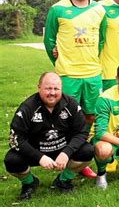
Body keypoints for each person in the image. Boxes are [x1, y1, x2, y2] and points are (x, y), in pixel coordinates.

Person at [43, 0, 106, 179]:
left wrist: (91, 59)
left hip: (92, 74)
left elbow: (102, 39)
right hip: (68, 75)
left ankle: (82, 159)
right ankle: (64, 159)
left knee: (90, 116)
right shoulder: (58, 9)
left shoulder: (98, 10)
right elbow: (48, 40)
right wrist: (59, 61)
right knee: (66, 118)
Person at [4, 72, 94, 200]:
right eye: (48, 88)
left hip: (62, 150)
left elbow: (82, 132)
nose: (52, 92)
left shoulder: (71, 104)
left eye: (56, 88)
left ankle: (63, 180)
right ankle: (29, 183)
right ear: (39, 87)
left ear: (61, 89)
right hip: (36, 151)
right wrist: (39, 157)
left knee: (88, 151)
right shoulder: (27, 107)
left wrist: (66, 153)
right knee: (12, 161)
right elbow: (16, 139)